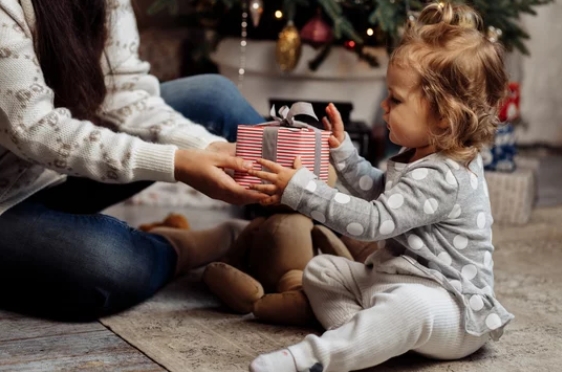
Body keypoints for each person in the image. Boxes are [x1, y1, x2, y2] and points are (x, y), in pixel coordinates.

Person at [247, 3, 514, 372]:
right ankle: (374, 339)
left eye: (396, 99)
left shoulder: (445, 175)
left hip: (450, 307)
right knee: (321, 271)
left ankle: (315, 358)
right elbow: (382, 195)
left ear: (443, 115)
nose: (384, 107)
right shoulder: (421, 153)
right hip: (392, 281)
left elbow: (373, 222)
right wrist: (344, 155)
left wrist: (302, 189)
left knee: (408, 307)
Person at [0, 0, 267, 321]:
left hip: (49, 173)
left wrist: (205, 146)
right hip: (7, 201)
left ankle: (301, 232)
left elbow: (120, 91)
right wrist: (177, 162)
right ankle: (192, 244)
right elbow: (35, 130)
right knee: (105, 263)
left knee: (214, 96)